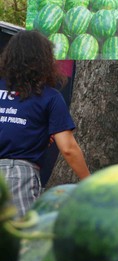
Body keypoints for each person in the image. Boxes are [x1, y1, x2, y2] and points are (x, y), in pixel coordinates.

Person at [0, 31, 89, 217]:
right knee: (23, 240)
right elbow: (68, 148)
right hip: (16, 175)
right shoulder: (49, 96)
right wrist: (90, 182)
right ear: (44, 61)